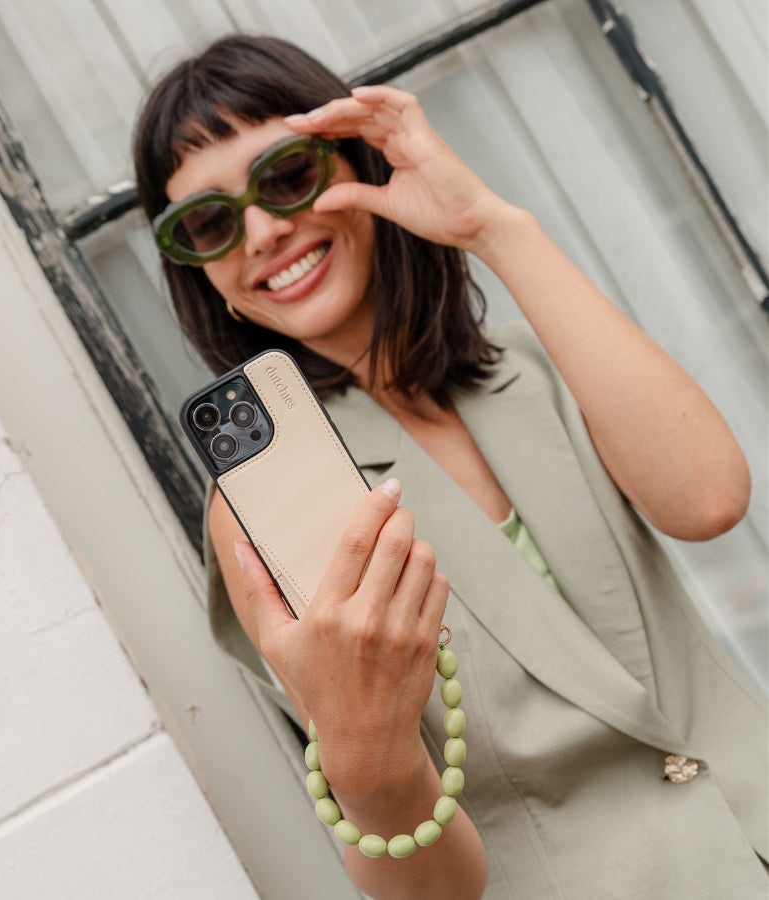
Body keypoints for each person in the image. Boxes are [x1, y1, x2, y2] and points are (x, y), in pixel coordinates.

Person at [134, 34, 767, 900]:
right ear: (198, 271)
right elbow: (426, 886)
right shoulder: (261, 510)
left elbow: (707, 499)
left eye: (286, 176)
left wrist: (494, 229)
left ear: (355, 160)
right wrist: (368, 757)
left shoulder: (529, 367)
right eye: (207, 222)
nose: (264, 230)